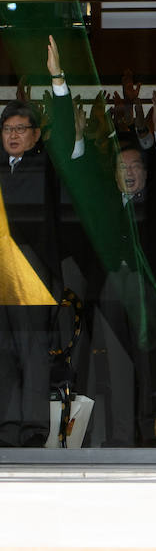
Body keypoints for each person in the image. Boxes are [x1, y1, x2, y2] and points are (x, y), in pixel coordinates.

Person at [0, 35, 73, 446]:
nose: (12, 135)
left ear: (34, 133)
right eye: (7, 128)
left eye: (20, 129)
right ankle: (6, 428)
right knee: (4, 350)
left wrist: (57, 79)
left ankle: (32, 430)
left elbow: (62, 131)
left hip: (30, 266)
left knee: (30, 349)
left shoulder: (46, 163)